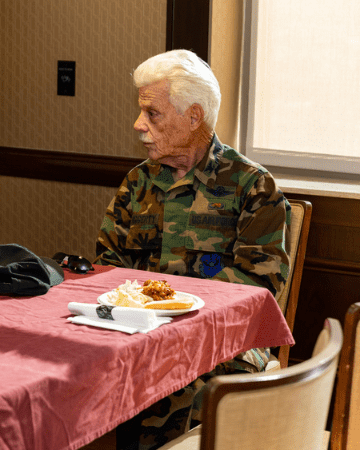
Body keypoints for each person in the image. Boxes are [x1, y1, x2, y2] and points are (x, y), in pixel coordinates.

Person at [95, 50, 291, 449]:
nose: (138, 125)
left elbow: (260, 287)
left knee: (182, 397)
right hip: (141, 341)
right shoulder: (138, 183)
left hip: (225, 346)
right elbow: (107, 267)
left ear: (194, 116)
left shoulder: (252, 186)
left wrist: (172, 310)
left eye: (153, 114)